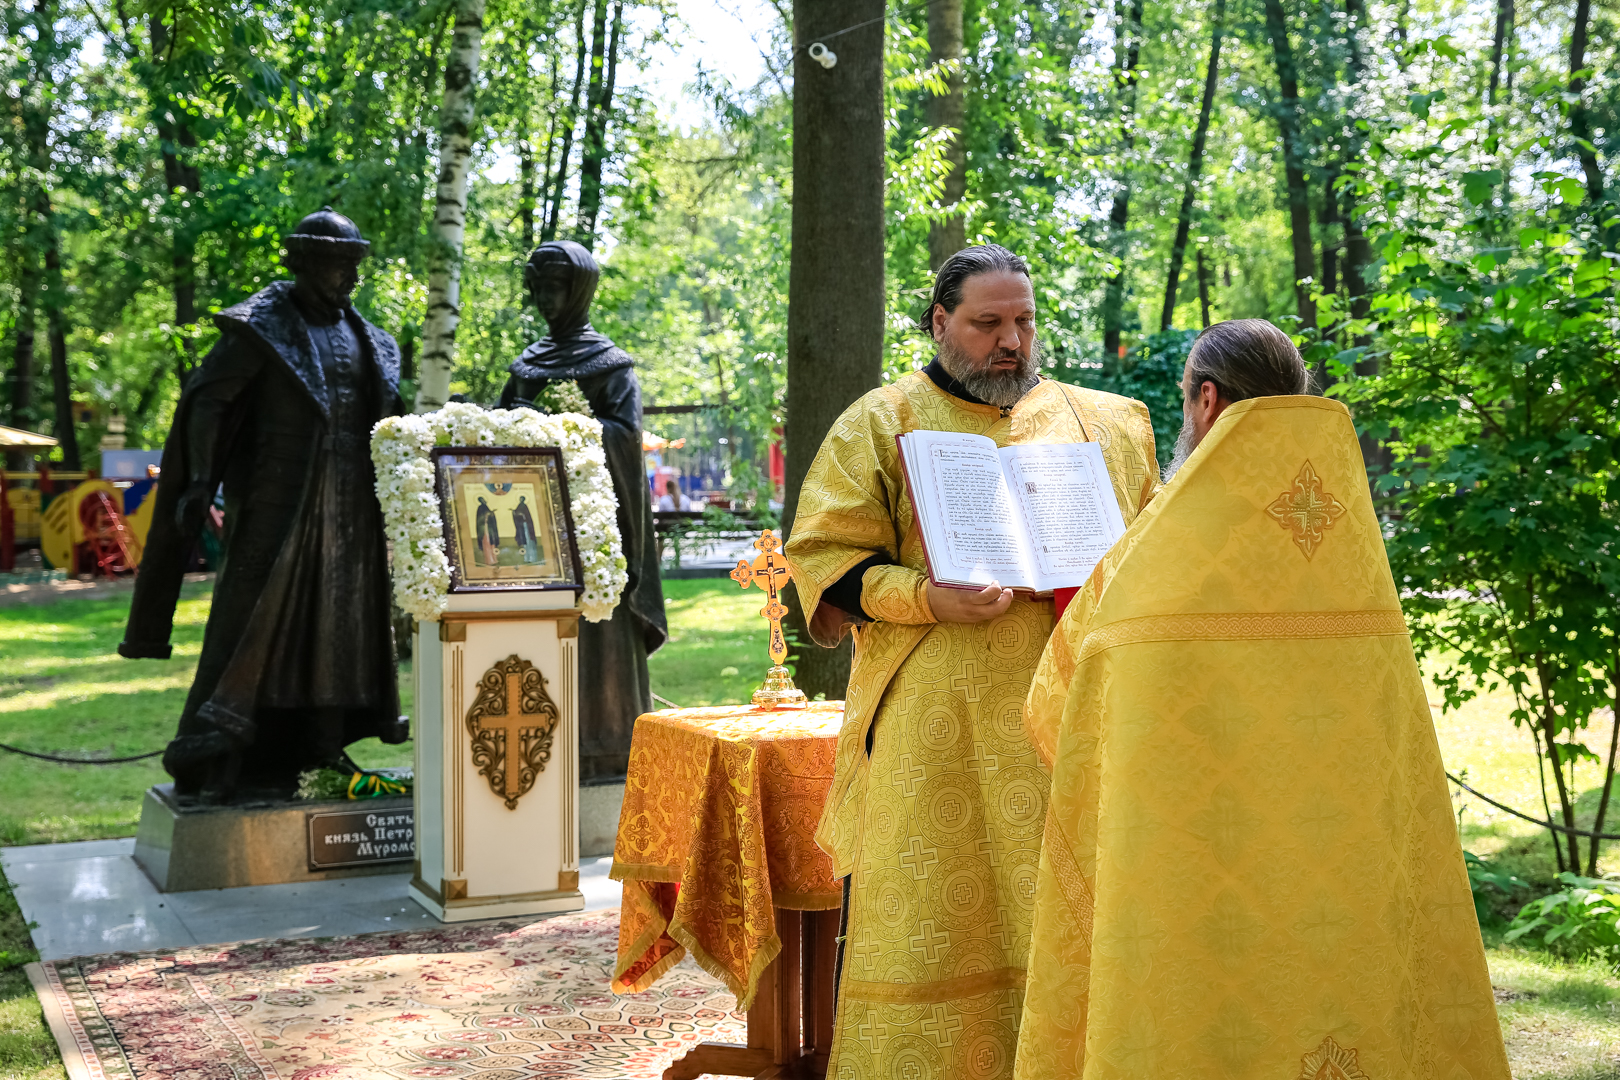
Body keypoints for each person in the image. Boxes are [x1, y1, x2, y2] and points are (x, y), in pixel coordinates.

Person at [1014, 320, 1509, 1079]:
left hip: (1189, 860)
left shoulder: (1159, 554)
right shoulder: (1353, 548)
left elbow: (1065, 700)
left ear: (1206, 401)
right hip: (1345, 864)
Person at [785, 244, 1161, 1080]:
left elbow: (1148, 558)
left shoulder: (1106, 422)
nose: (1011, 342)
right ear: (940, 321)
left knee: (1064, 905)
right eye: (988, 323)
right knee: (933, 913)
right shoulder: (881, 422)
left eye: (1023, 322)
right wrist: (927, 597)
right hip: (936, 726)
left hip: (1071, 714)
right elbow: (825, 556)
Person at [119, 207, 407, 802]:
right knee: (252, 624)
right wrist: (200, 480)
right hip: (281, 506)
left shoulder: (368, 337)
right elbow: (209, 402)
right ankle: (221, 751)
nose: (349, 278)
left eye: (354, 265)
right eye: (337, 266)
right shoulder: (261, 330)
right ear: (303, 263)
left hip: (350, 509)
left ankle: (322, 744)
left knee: (338, 627)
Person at [498, 240, 667, 783]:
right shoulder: (526, 366)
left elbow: (625, 435)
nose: (548, 299)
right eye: (540, 288)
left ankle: (608, 747)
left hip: (596, 529)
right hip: (531, 529)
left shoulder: (609, 366)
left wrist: (556, 426)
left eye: (558, 288)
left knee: (599, 634)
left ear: (581, 291)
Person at [512, 494, 540, 564]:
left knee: (529, 541)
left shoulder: (524, 506)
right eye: (520, 499)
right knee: (525, 542)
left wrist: (521, 514)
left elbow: (526, 515)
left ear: (524, 499)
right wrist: (514, 512)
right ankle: (526, 558)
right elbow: (517, 514)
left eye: (522, 499)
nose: (520, 500)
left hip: (526, 526)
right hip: (522, 526)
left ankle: (532, 558)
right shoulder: (519, 506)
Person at [475, 495, 500, 566]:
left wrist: (491, 513)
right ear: (480, 501)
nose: (484, 501)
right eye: (482, 500)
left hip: (489, 528)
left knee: (492, 544)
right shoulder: (480, 508)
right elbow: (480, 518)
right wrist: (487, 514)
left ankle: (494, 560)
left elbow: (490, 516)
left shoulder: (486, 507)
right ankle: (489, 561)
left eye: (484, 499)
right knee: (486, 544)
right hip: (484, 528)